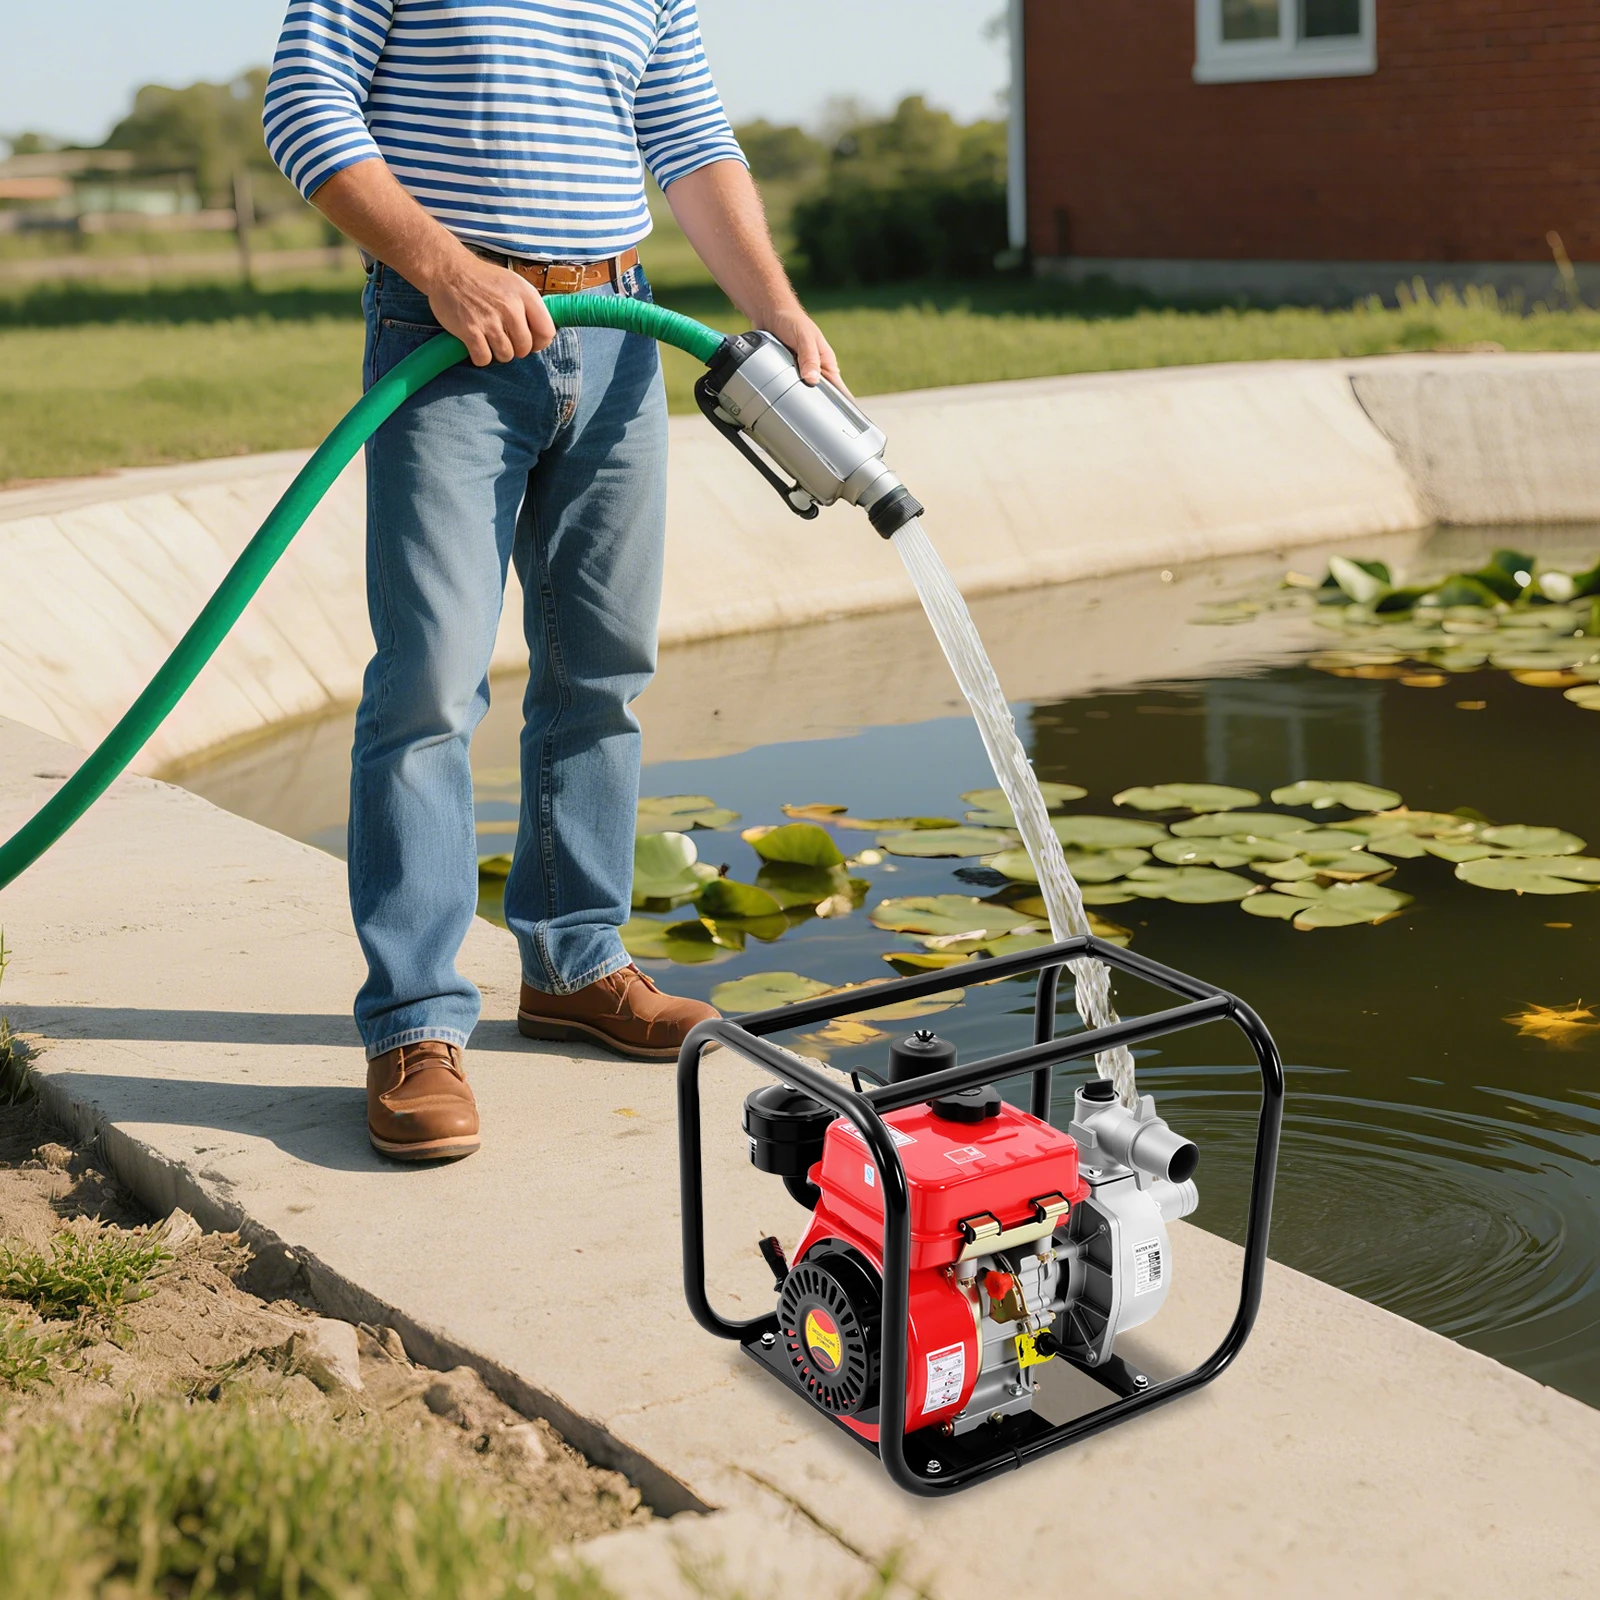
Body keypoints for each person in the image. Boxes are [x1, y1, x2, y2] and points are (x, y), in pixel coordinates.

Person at [264, 1, 842, 1163]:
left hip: (619, 327)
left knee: (601, 668)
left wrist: (774, 308)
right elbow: (304, 108)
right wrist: (443, 266)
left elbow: (690, 140)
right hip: (445, 330)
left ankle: (575, 962)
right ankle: (415, 1022)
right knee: (429, 684)